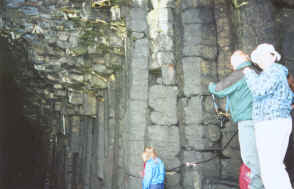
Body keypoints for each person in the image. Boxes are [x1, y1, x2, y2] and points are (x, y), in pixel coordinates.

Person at [208, 50, 264, 189]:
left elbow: (219, 89)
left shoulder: (242, 72)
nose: (231, 66)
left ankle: (257, 186)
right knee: (261, 154)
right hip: (261, 119)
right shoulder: (257, 71)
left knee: (250, 157)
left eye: (232, 63)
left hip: (248, 121)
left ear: (238, 61)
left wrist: (210, 86)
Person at [243, 43, 293, 189]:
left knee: (271, 169)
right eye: (257, 59)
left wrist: (249, 73)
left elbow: (259, 90)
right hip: (276, 121)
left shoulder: (274, 71)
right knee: (274, 167)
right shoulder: (277, 73)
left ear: (271, 56)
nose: (258, 61)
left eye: (260, 57)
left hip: (271, 123)